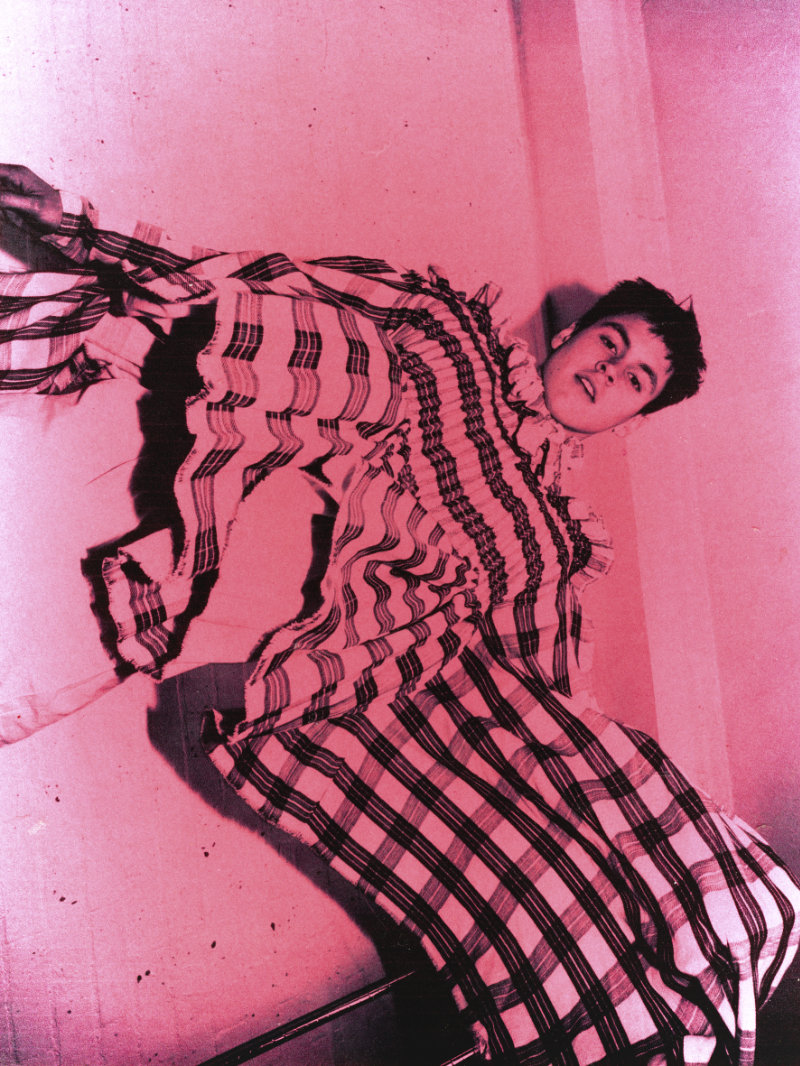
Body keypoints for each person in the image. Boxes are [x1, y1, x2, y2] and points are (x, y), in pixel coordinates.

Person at [0, 163, 797, 1066]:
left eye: (637, 380)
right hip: (294, 482)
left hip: (375, 656)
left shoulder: (555, 543)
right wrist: (78, 225)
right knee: (356, 365)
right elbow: (271, 289)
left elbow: (545, 693)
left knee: (718, 903)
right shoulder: (446, 330)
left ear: (631, 419)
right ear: (573, 333)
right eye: (611, 342)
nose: (613, 369)